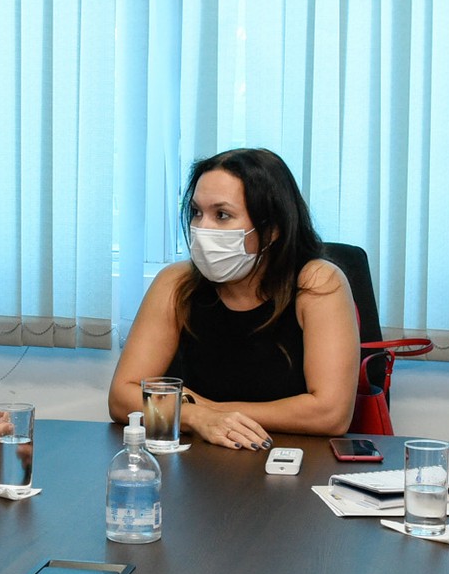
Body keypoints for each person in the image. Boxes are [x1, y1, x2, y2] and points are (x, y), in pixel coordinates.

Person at [108, 148, 358, 447]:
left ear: (272, 228)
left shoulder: (316, 282)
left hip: (291, 462)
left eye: (222, 215)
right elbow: (122, 397)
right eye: (197, 212)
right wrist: (194, 417)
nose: (202, 229)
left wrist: (200, 409)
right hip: (199, 464)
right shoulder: (177, 283)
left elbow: (330, 414)